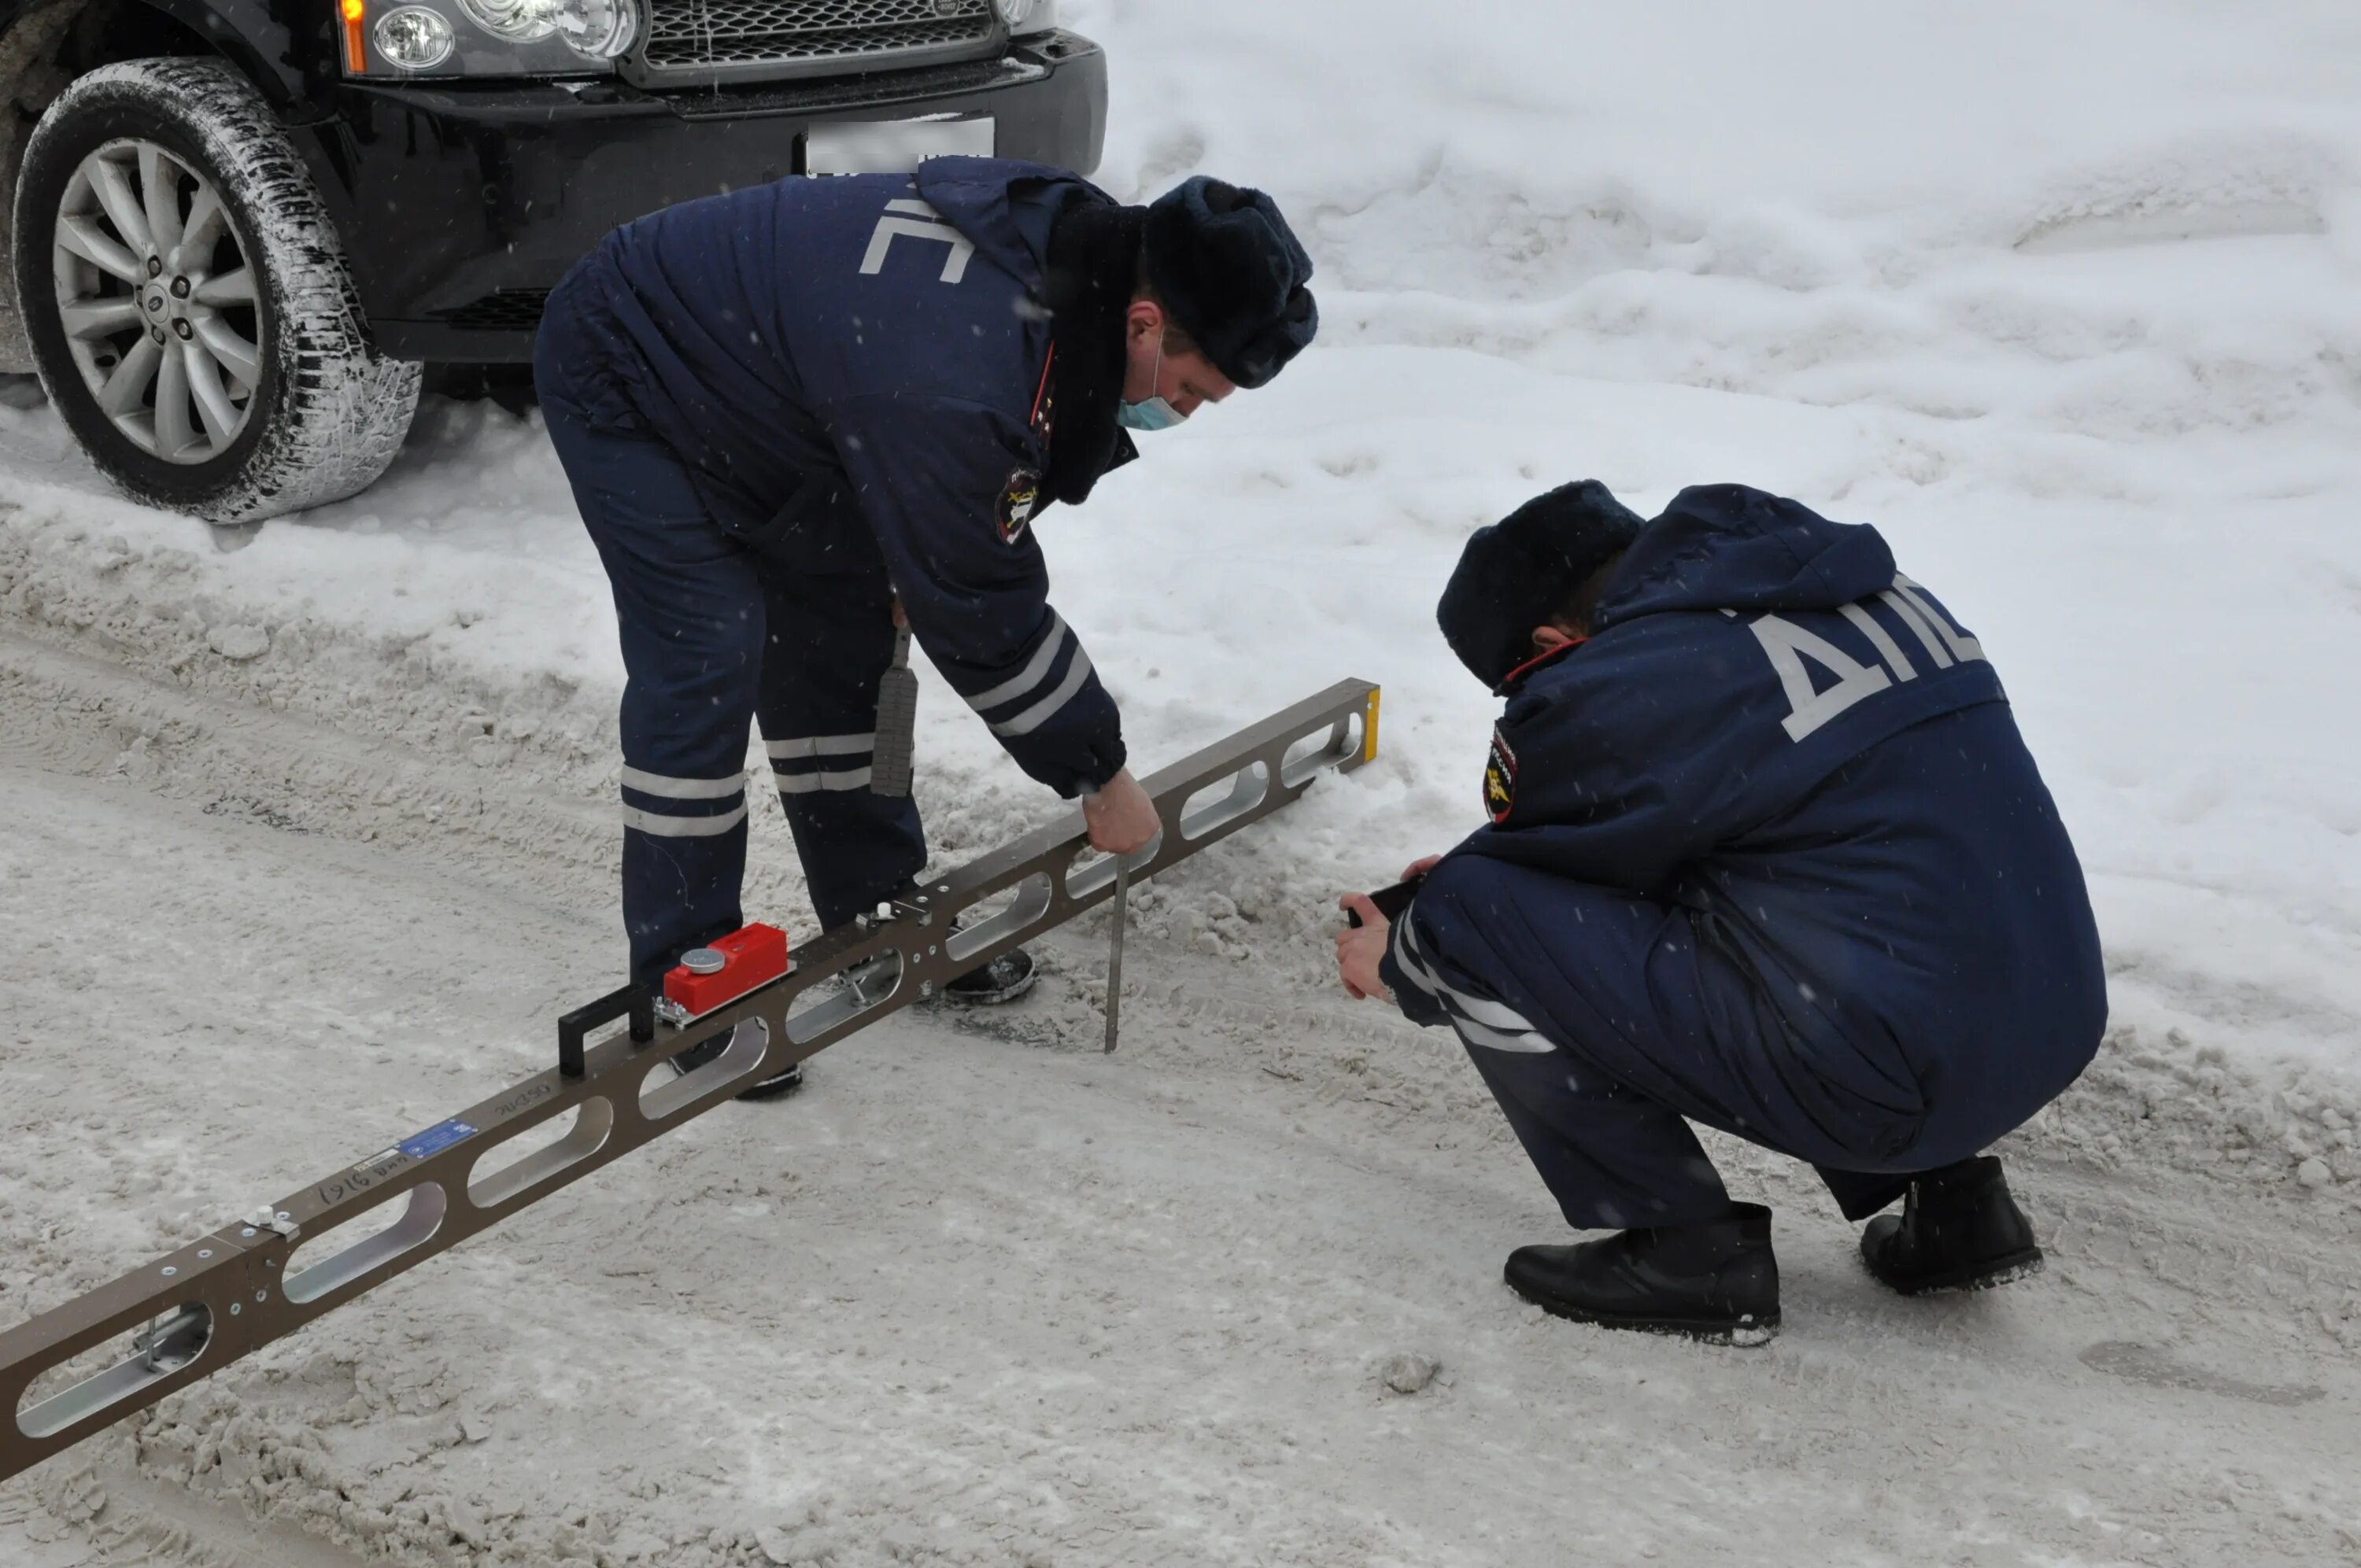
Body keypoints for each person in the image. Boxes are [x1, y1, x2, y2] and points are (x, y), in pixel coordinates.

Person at [535, 158, 1317, 1098]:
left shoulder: (1078, 269)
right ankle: (690, 981)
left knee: (838, 628)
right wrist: (1098, 771)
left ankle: (873, 915)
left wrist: (926, 549)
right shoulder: (961, 366)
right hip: (631, 357)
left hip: (792, 390)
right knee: (706, 650)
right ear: (1144, 326)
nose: (1180, 413)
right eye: (1190, 391)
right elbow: (983, 605)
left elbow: (1001, 474)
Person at [1335, 481, 2105, 1344]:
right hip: (2051, 1020)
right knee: (1828, 878)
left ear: (1550, 645)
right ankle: (1960, 1207)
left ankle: (1685, 1251)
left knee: (1466, 910)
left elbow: (1521, 880)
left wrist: (1408, 948)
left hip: (1891, 1083)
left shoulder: (1630, 677)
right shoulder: (1863, 594)